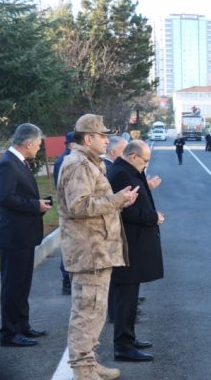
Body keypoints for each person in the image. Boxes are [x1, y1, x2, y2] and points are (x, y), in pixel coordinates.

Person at [57, 114, 139, 380]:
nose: (107, 140)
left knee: (96, 312)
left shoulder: (91, 163)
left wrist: (119, 201)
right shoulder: (78, 164)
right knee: (86, 311)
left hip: (98, 250)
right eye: (103, 136)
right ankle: (82, 369)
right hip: (88, 252)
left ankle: (89, 362)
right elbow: (78, 206)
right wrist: (116, 200)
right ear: (88, 138)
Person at [0, 123, 51, 347]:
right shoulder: (7, 164)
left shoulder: (19, 162)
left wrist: (36, 204)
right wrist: (34, 205)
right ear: (28, 144)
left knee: (22, 284)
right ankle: (9, 333)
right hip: (13, 237)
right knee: (12, 286)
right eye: (37, 144)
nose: (38, 148)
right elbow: (5, 198)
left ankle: (22, 326)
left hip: (23, 236)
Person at [108, 140, 164, 362]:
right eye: (145, 160)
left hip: (135, 243)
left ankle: (129, 339)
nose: (146, 165)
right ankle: (123, 346)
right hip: (128, 243)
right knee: (125, 298)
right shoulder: (121, 173)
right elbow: (123, 212)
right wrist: (153, 217)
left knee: (130, 297)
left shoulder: (127, 169)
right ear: (133, 157)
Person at [54, 131, 75, 295]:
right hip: (69, 209)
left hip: (68, 207)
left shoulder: (65, 158)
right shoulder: (66, 160)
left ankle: (68, 280)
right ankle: (66, 280)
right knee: (69, 245)